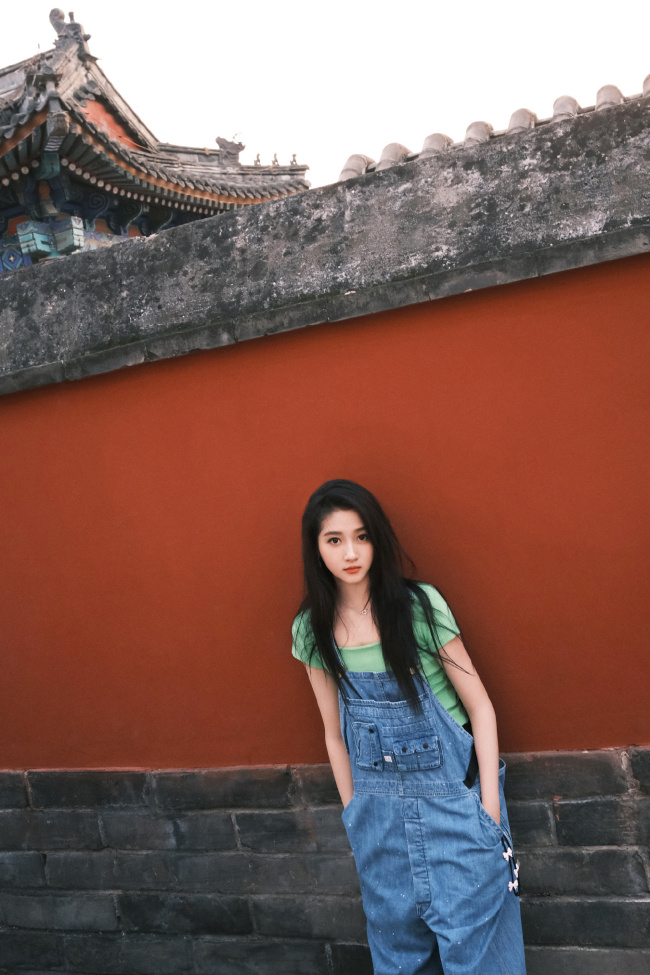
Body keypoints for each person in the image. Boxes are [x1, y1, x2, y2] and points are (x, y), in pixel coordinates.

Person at [292, 479, 527, 975]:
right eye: (334, 539)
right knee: (400, 961)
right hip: (378, 828)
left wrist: (488, 811)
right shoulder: (312, 630)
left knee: (481, 959)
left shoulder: (418, 608)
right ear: (317, 548)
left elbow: (481, 707)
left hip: (458, 813)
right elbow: (334, 735)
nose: (350, 553)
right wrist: (355, 816)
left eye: (362, 536)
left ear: (377, 539)